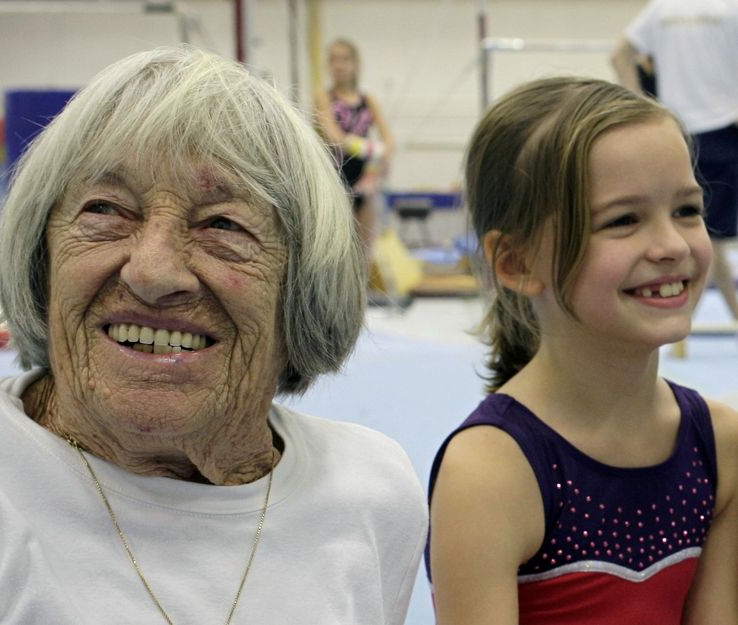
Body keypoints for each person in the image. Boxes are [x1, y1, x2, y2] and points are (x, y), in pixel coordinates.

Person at [0, 47, 428, 624]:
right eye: (105, 210)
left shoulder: (370, 492)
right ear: (42, 254)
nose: (153, 272)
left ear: (303, 286)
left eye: (223, 223)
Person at [426, 77, 738, 624]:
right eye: (623, 220)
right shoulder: (493, 472)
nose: (671, 245)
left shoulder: (720, 446)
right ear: (516, 262)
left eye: (687, 210)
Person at [612, 0, 738, 326]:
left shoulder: (661, 8)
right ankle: (681, 323)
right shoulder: (730, 8)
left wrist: (641, 106)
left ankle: (702, 319)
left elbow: (619, 55)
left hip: (672, 134)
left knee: (698, 234)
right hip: (723, 131)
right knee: (709, 238)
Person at [314, 38, 395, 268]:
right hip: (337, 176)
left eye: (344, 59)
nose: (338, 65)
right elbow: (334, 138)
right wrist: (373, 149)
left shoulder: (367, 100)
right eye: (333, 60)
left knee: (364, 250)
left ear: (355, 64)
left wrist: (379, 160)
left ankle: (361, 300)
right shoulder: (324, 97)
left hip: (364, 178)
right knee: (339, 249)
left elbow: (389, 141)